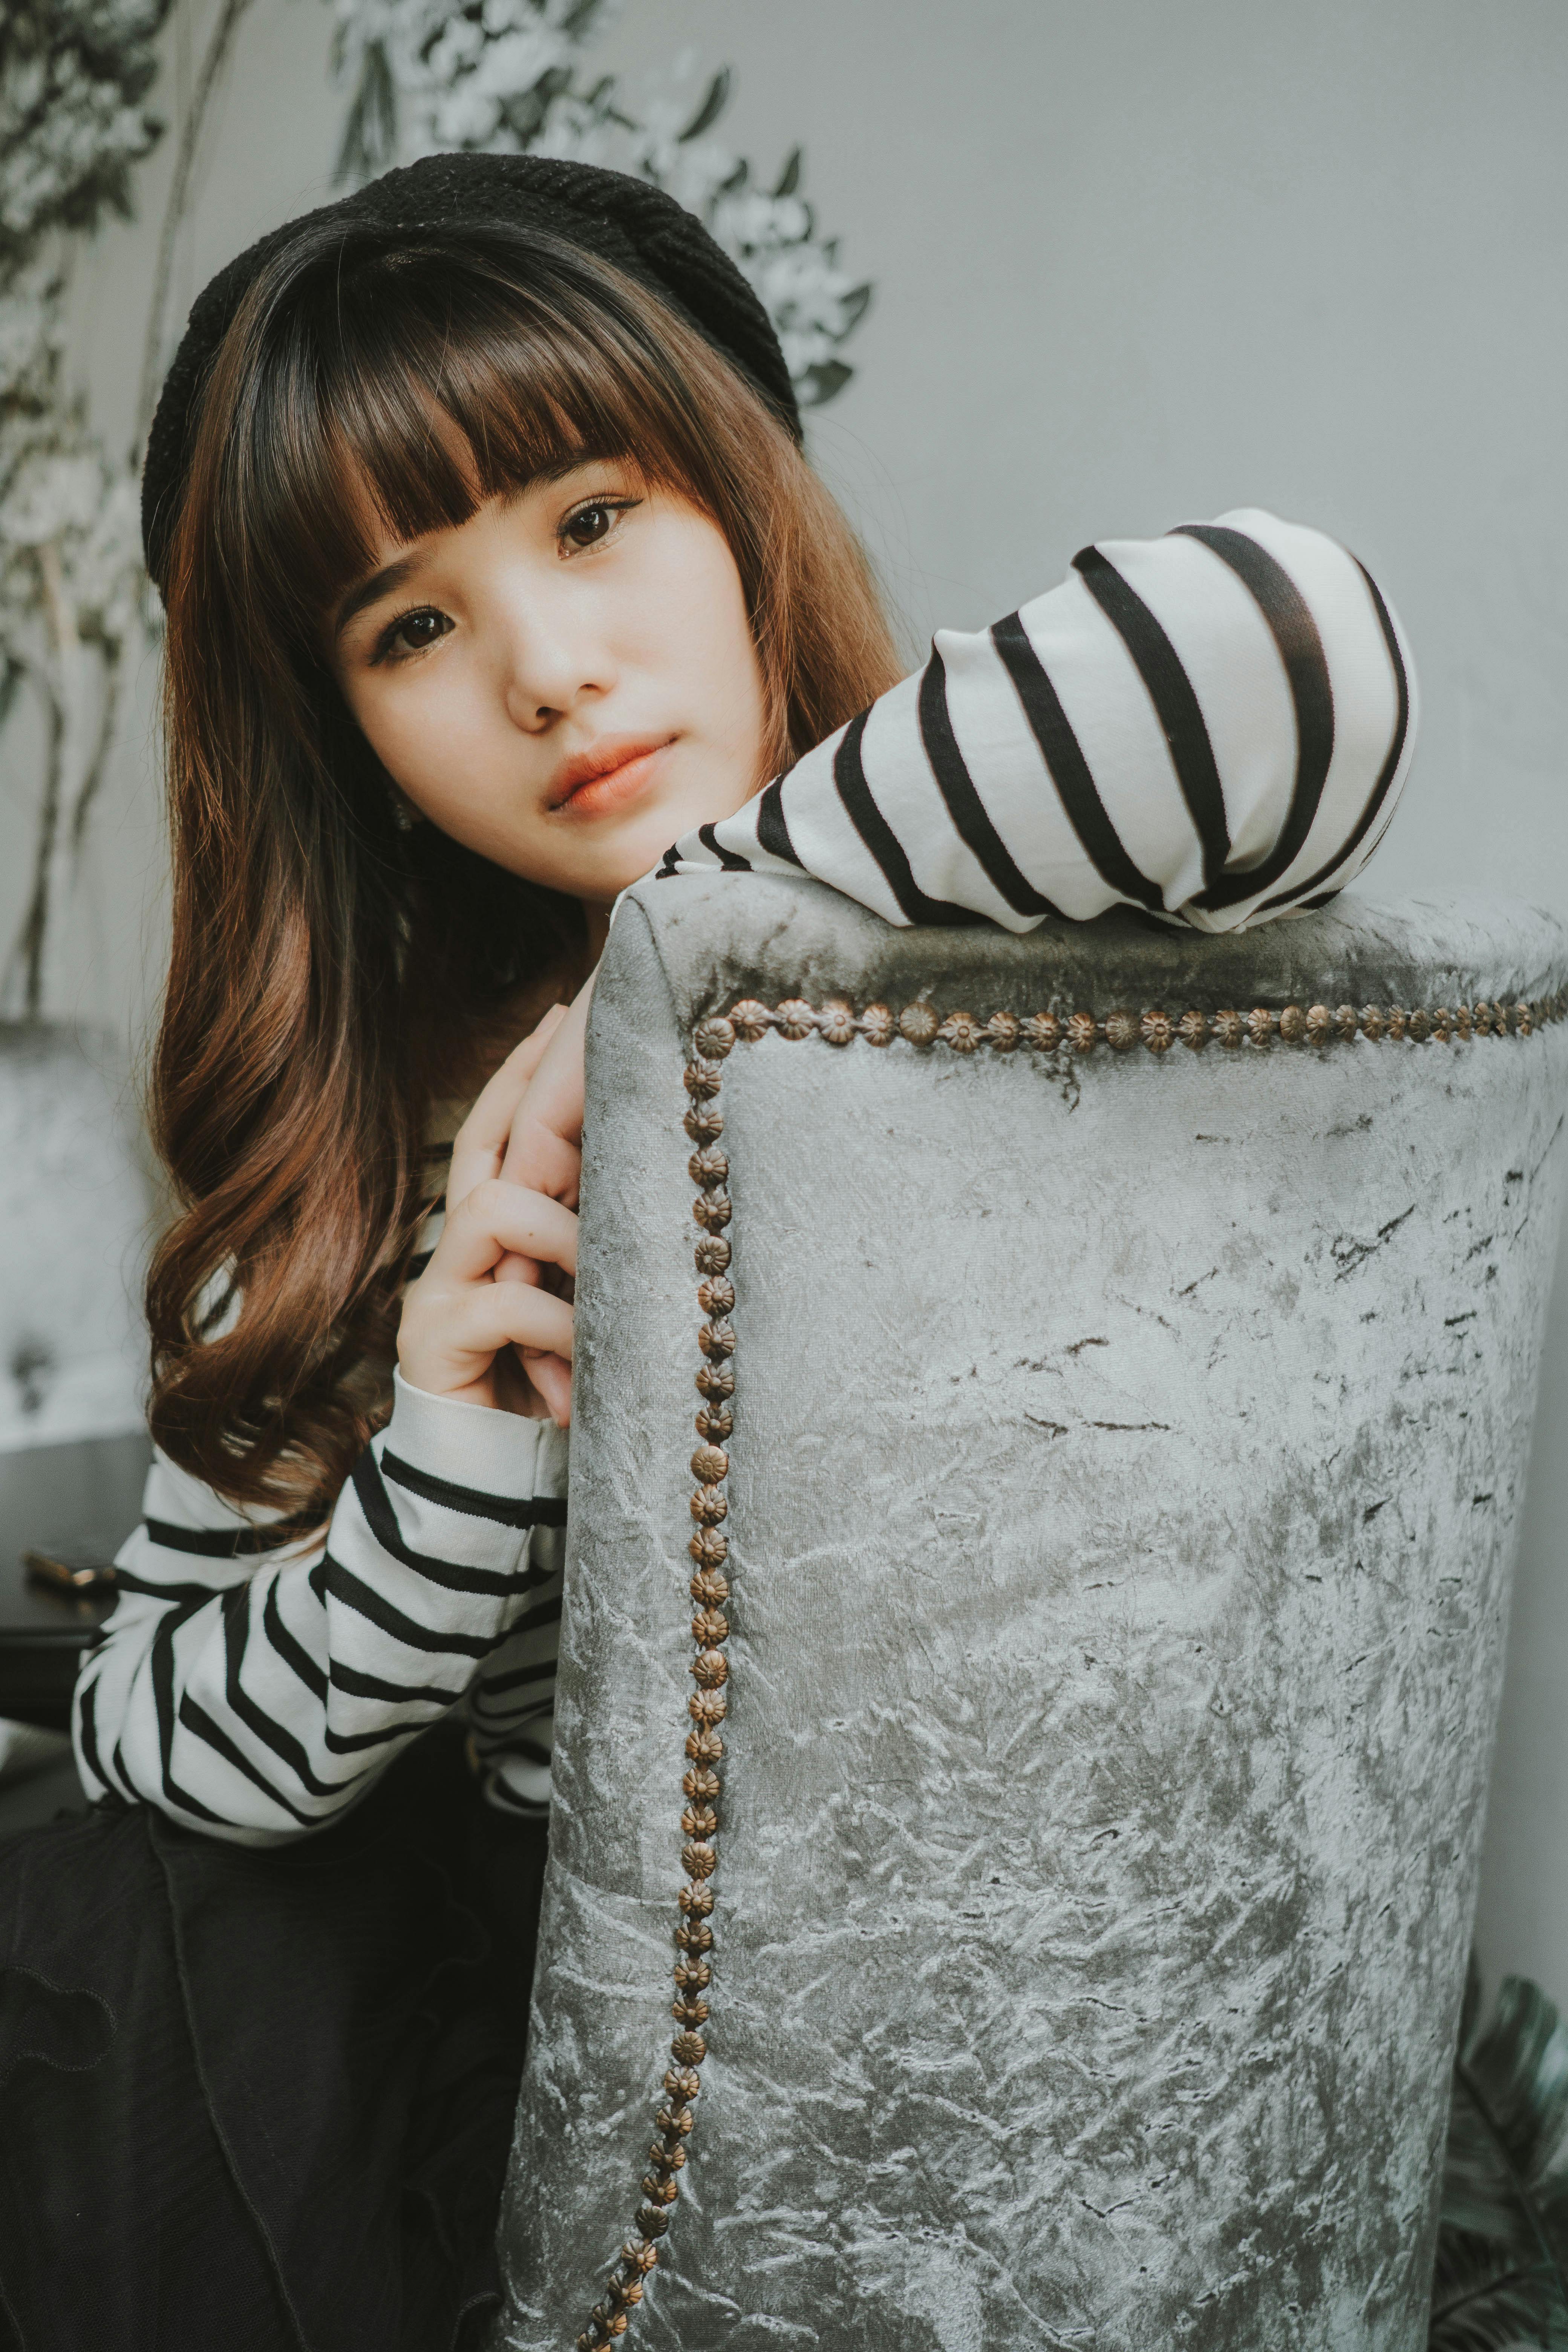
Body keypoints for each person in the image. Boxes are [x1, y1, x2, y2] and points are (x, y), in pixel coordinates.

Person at [0, 150, 1416, 2350]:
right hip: (520, 2103)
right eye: (411, 626)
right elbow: (155, 1763)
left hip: (1023, 2027)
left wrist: (677, 963)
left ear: (741, 507)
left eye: (591, 516)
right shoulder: (369, 1177)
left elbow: (1278, 645)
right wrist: (447, 1464)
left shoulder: (1028, 901)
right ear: (353, 741)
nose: (551, 671)